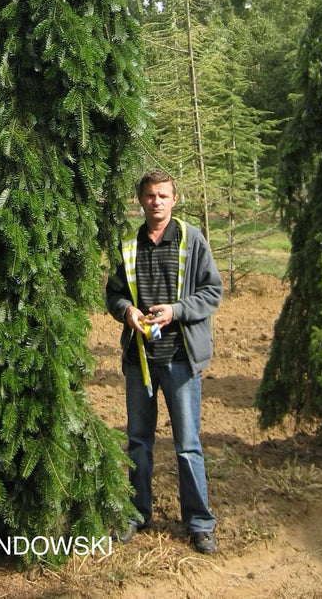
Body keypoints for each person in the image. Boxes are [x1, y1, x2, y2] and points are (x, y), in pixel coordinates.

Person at [106, 170, 222, 554]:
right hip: (140, 360)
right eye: (150, 196)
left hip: (180, 360)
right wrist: (127, 314)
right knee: (138, 441)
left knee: (188, 444)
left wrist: (176, 311)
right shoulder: (128, 247)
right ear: (140, 200)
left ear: (174, 199)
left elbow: (212, 291)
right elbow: (115, 296)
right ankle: (136, 513)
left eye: (163, 195)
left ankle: (200, 523)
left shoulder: (192, 240)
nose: (156, 202)